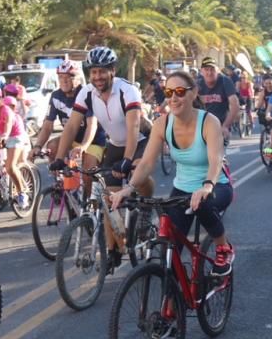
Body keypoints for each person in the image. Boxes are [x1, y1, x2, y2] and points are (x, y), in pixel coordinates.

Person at [109, 70, 235, 275]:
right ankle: (175, 299)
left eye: (179, 91)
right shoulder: (162, 123)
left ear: (193, 93)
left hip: (215, 186)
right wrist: (129, 189)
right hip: (182, 189)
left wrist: (206, 186)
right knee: (170, 253)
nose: (173, 98)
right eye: (169, 92)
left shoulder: (209, 121)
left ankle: (224, 248)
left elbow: (215, 160)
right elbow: (147, 162)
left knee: (203, 205)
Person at [50, 46, 152, 272]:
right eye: (93, 72)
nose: (97, 77)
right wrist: (59, 158)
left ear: (113, 70)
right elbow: (72, 126)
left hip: (141, 141)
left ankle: (146, 210)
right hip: (115, 144)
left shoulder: (128, 91)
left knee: (136, 174)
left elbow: (134, 127)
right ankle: (115, 250)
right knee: (109, 198)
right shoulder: (86, 92)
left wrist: (127, 160)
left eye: (102, 71)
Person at [32, 60, 103, 196]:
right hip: (71, 138)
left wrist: (83, 146)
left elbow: (91, 124)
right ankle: (61, 183)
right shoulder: (56, 96)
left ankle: (86, 205)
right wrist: (38, 146)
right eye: (61, 77)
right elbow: (47, 126)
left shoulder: (86, 94)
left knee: (87, 173)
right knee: (52, 146)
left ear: (78, 79)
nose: (64, 81)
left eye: (69, 77)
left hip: (92, 140)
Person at [196, 57, 240, 139]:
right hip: (201, 126)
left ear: (217, 71)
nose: (209, 73)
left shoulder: (225, 81)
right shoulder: (197, 84)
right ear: (201, 71)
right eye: (206, 69)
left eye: (212, 69)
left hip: (220, 125)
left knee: (217, 150)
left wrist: (226, 126)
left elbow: (235, 105)